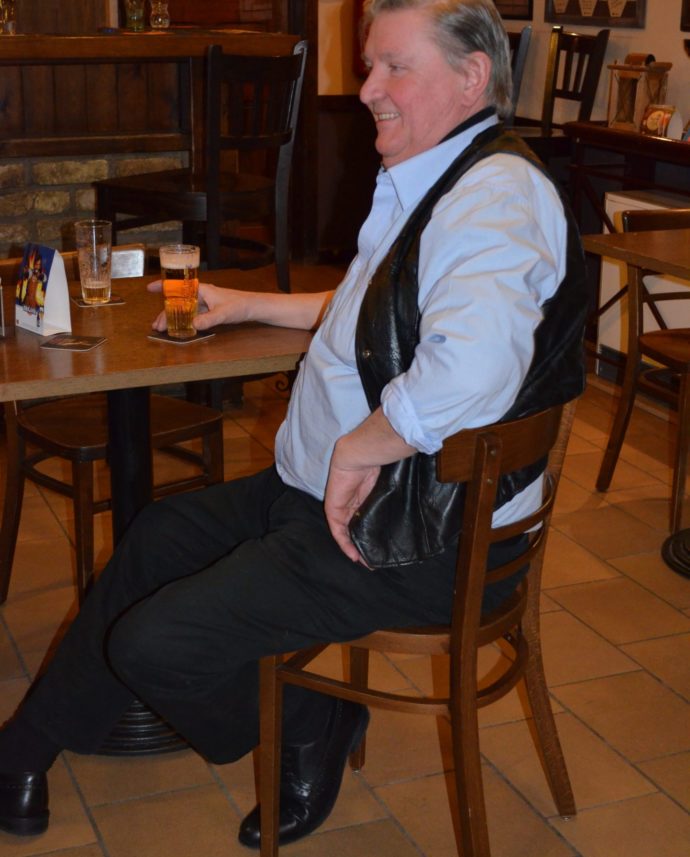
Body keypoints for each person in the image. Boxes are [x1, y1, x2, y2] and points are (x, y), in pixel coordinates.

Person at [0, 0, 588, 848]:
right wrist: (249, 305)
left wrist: (361, 445)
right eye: (369, 66)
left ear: (472, 77)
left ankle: (313, 717)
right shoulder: (439, 175)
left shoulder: (496, 196)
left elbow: (473, 367)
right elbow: (375, 307)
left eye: (394, 67)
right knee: (159, 535)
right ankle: (24, 749)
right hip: (340, 497)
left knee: (156, 645)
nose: (367, 88)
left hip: (421, 537)